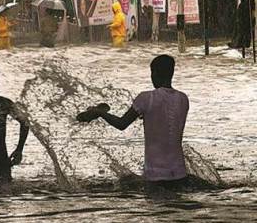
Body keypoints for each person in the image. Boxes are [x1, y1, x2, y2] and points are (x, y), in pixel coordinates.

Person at [77, 55, 190, 188]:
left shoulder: (147, 98)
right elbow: (164, 120)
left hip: (155, 177)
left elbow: (121, 124)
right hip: (180, 175)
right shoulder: (183, 99)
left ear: (154, 73)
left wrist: (99, 113)